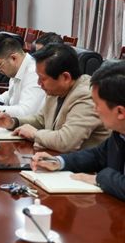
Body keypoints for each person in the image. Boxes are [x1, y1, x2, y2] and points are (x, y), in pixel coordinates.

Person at [32, 61, 125, 201]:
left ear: (120, 112)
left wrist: (100, 178)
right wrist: (58, 162)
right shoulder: (119, 132)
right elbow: (97, 155)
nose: (94, 110)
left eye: (97, 105)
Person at [0, 44, 110, 152]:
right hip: (55, 157)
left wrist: (35, 134)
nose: (39, 83)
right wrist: (13, 122)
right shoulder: (56, 90)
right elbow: (41, 120)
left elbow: (66, 141)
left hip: (84, 166)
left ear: (65, 77)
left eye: (43, 79)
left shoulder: (87, 96)